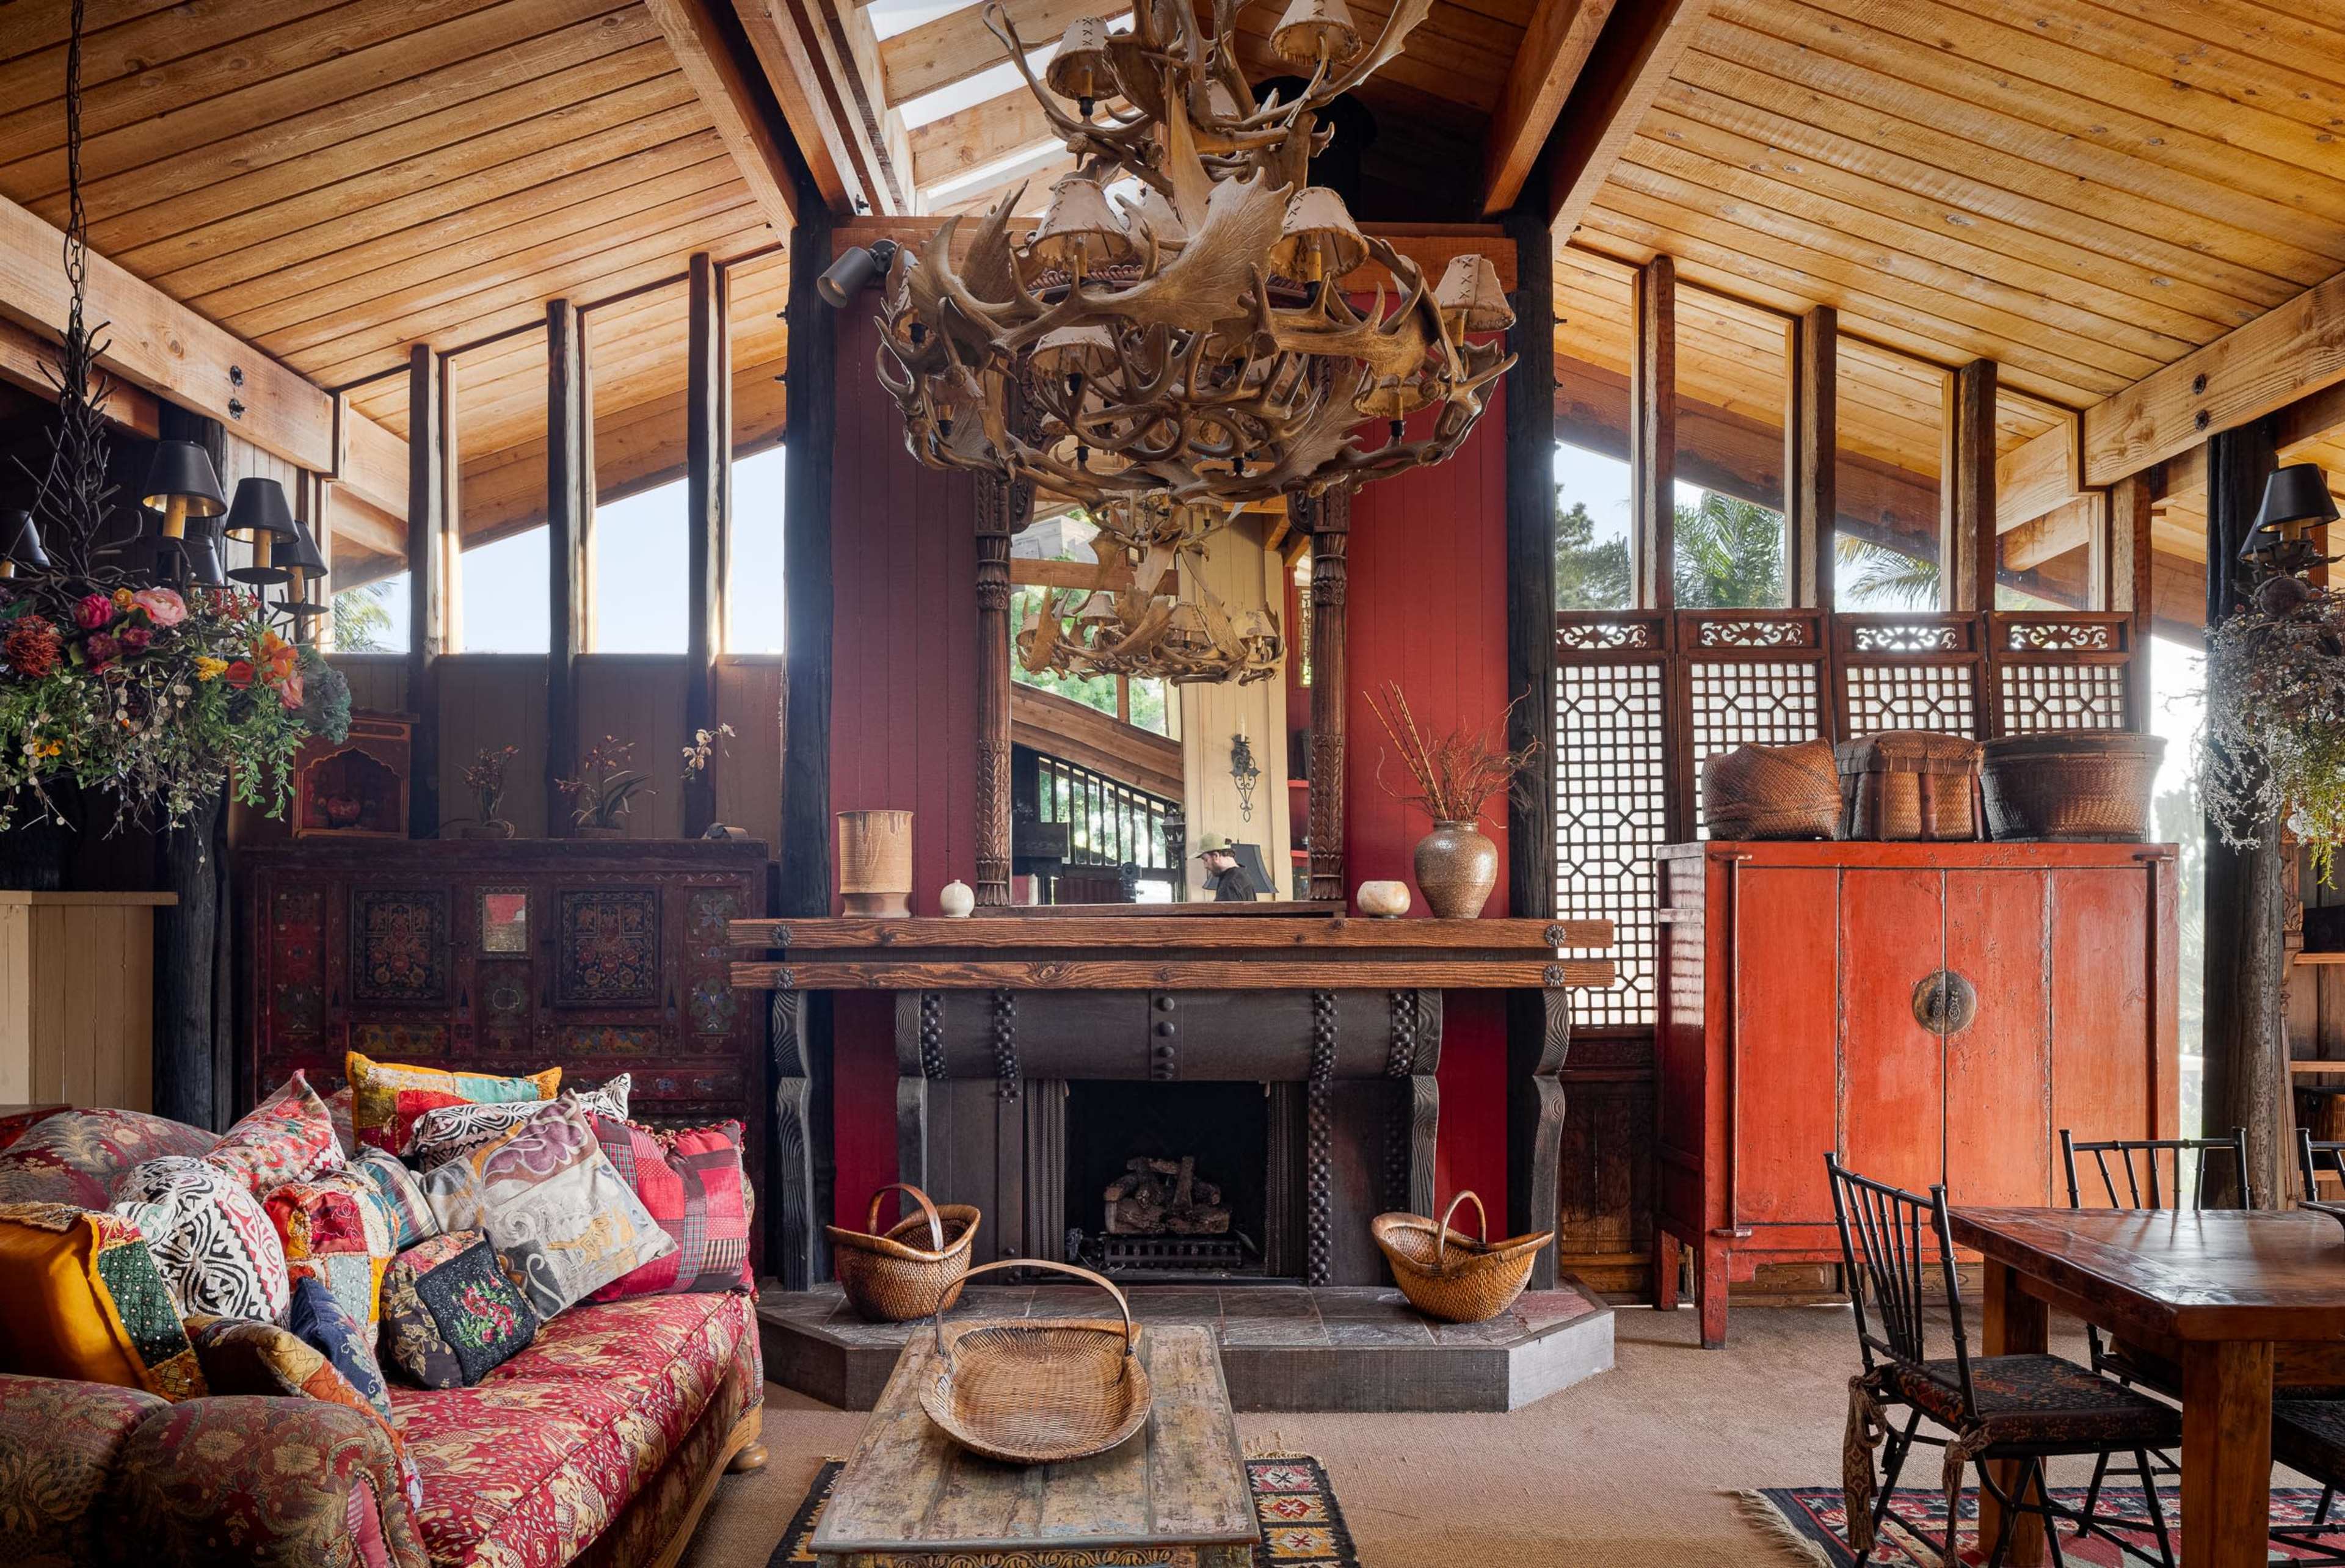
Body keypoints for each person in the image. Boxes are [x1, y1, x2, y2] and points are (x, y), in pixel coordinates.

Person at [1198, 841, 1262, 902]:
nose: (1205, 866)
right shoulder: (1242, 876)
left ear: (1216, 856)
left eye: (1206, 860)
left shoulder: (1230, 885)